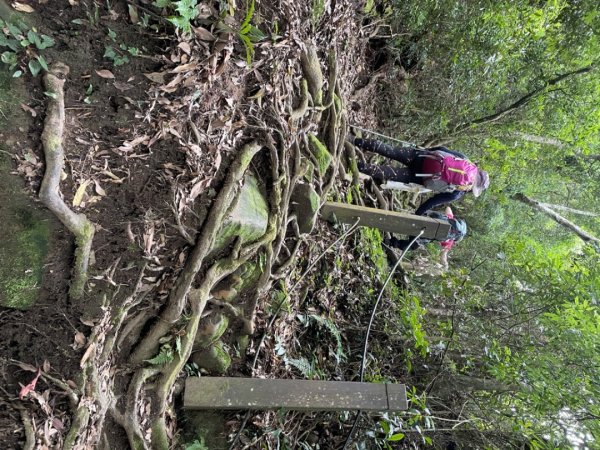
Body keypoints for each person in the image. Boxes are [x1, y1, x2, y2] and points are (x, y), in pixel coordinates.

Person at [349, 137, 489, 214]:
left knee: (390, 150)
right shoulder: (457, 192)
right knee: (387, 172)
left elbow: (443, 150)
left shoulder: (466, 160)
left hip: (420, 156)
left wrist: (428, 151)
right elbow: (432, 202)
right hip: (419, 176)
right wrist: (418, 213)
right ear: (474, 188)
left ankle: (354, 141)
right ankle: (354, 165)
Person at [385, 207, 466, 268]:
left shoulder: (450, 219)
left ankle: (389, 221)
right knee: (412, 246)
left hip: (420, 218)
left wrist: (450, 217)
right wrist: (445, 263)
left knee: (407, 224)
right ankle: (391, 242)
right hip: (421, 236)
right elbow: (443, 255)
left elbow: (448, 208)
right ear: (455, 238)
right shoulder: (449, 241)